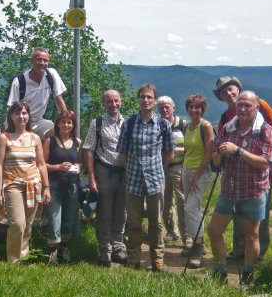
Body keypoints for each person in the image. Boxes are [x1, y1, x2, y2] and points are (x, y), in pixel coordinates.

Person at [207, 91, 272, 285]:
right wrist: (219, 154)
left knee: (251, 235)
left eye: (247, 105)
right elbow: (216, 160)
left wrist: (238, 151)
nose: (243, 109)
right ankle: (221, 271)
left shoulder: (265, 130)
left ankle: (248, 274)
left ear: (256, 107)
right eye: (240, 105)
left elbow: (264, 163)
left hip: (254, 191)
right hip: (229, 191)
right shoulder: (229, 128)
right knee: (213, 230)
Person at [213, 76, 272, 260]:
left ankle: (257, 257)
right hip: (232, 184)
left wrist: (242, 151)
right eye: (223, 91)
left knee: (258, 224)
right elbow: (217, 154)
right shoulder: (226, 122)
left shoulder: (261, 107)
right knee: (236, 220)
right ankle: (239, 250)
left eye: (230, 89)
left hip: (257, 181)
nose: (228, 93)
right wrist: (221, 152)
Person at [116, 83, 175, 272]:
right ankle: (134, 257)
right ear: (138, 99)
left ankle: (157, 258)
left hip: (155, 180)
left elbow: (169, 152)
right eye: (143, 97)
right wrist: (130, 168)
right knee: (133, 222)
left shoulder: (163, 124)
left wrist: (159, 168)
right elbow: (122, 152)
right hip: (133, 179)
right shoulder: (129, 123)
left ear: (155, 100)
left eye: (149, 97)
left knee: (156, 222)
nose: (146, 100)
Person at [0, 101, 51, 264]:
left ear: (29, 116)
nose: (21, 116)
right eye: (17, 113)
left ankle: (24, 255)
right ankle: (13, 260)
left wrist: (46, 187)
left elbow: (41, 164)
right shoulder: (4, 138)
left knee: (28, 223)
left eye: (24, 113)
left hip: (33, 184)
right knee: (17, 224)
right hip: (12, 184)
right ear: (11, 116)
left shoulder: (35, 138)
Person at [84, 90, 128, 267]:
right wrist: (92, 179)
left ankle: (118, 247)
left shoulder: (128, 123)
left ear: (121, 102)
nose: (113, 104)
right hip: (104, 171)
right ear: (104, 103)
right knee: (104, 212)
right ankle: (104, 250)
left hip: (124, 173)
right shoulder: (97, 123)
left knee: (121, 212)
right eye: (109, 101)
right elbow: (88, 150)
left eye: (116, 101)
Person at [43, 111, 83, 265]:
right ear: (58, 123)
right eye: (64, 122)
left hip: (72, 184)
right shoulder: (50, 141)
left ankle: (64, 249)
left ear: (73, 125)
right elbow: (42, 164)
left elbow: (81, 162)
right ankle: (52, 250)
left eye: (70, 122)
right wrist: (58, 167)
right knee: (54, 217)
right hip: (54, 184)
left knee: (69, 217)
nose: (67, 125)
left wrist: (79, 167)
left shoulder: (77, 142)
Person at [181, 94, 214, 268]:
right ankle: (195, 241)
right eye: (191, 107)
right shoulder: (187, 126)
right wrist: (183, 173)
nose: (194, 110)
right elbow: (186, 151)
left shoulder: (206, 126)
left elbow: (209, 153)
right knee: (193, 208)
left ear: (203, 109)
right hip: (187, 170)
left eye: (198, 107)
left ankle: (198, 247)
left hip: (200, 172)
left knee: (190, 207)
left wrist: (196, 175)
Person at [7, 47, 67, 140]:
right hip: (19, 121)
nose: (42, 63)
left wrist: (66, 118)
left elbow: (59, 98)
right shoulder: (19, 81)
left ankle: (45, 154)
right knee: (18, 145)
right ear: (31, 61)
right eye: (39, 59)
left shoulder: (51, 75)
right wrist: (11, 129)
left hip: (38, 122)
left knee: (60, 133)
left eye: (45, 60)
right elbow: (11, 108)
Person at [157, 96, 187, 246]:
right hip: (161, 169)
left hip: (179, 168)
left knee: (182, 201)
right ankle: (171, 232)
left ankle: (187, 236)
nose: (164, 110)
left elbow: (191, 147)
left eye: (167, 107)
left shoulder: (183, 125)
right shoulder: (156, 125)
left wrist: (173, 150)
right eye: (161, 107)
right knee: (165, 202)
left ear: (173, 108)